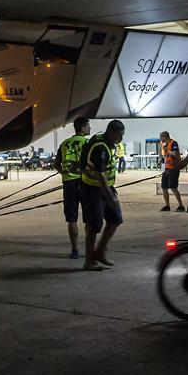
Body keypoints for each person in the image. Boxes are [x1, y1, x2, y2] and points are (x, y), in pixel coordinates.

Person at [79, 120, 126, 271]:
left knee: (116, 219)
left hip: (106, 188)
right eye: (121, 135)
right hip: (93, 190)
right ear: (112, 132)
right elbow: (100, 175)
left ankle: (100, 252)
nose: (122, 138)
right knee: (94, 226)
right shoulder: (101, 147)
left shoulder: (108, 144)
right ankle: (88, 261)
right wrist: (110, 196)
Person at [52, 116, 91, 259]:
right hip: (85, 183)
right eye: (88, 126)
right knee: (89, 218)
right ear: (82, 128)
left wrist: (66, 173)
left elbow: (56, 164)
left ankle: (75, 250)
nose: (89, 128)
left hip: (69, 183)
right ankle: (89, 248)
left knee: (72, 218)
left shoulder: (64, 144)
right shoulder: (88, 143)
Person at [158, 130, 185, 212]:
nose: (160, 139)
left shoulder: (173, 143)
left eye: (161, 137)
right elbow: (164, 155)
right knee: (164, 187)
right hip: (166, 168)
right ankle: (167, 205)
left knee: (173, 187)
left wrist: (167, 151)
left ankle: (181, 205)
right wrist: (160, 161)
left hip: (174, 168)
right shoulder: (164, 145)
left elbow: (176, 154)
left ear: (164, 137)